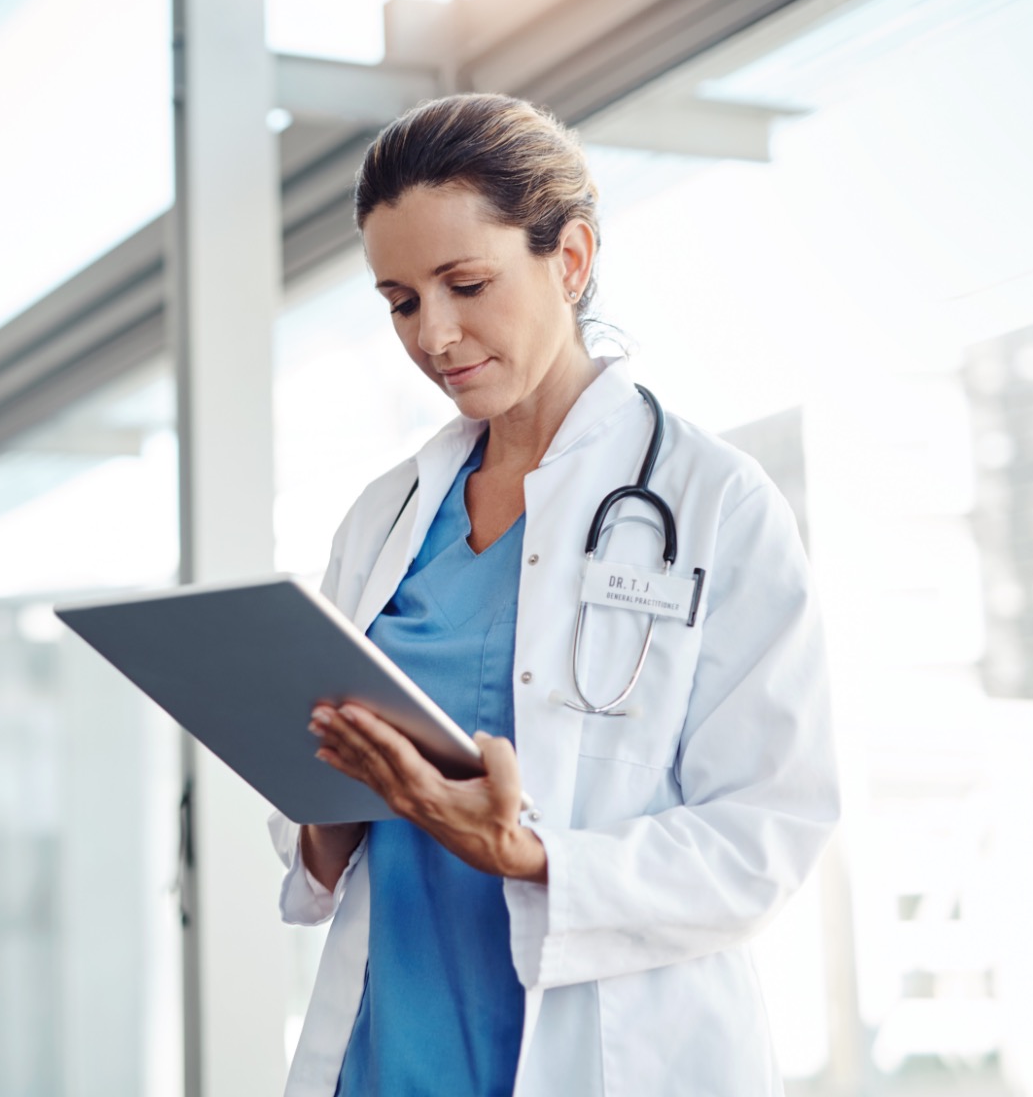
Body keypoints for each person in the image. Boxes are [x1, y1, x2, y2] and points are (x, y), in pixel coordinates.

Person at [269, 93, 840, 1096]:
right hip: (389, 1053)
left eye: (468, 283)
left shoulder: (713, 502)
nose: (434, 336)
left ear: (570, 260)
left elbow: (768, 834)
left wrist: (530, 855)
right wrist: (335, 808)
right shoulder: (383, 519)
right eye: (401, 301)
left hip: (612, 1054)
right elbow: (322, 828)